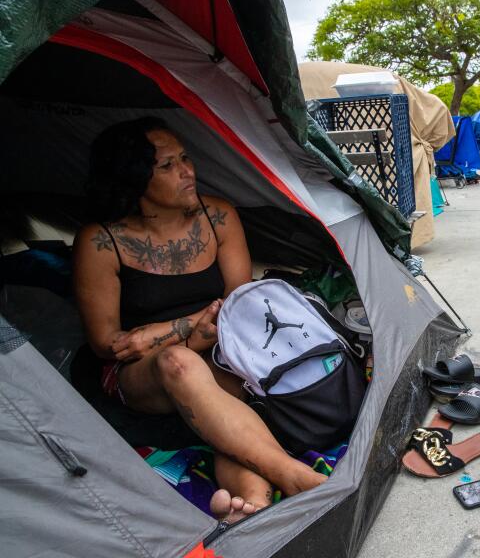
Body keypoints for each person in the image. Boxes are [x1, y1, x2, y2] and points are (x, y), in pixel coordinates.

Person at [73, 117, 325, 523]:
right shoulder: (101, 241)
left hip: (217, 347)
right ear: (134, 176)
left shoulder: (218, 217)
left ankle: (251, 504)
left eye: (185, 158)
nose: (187, 171)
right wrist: (177, 338)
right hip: (139, 372)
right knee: (179, 363)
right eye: (167, 165)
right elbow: (108, 343)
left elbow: (240, 302)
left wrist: (172, 329)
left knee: (223, 412)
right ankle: (292, 476)